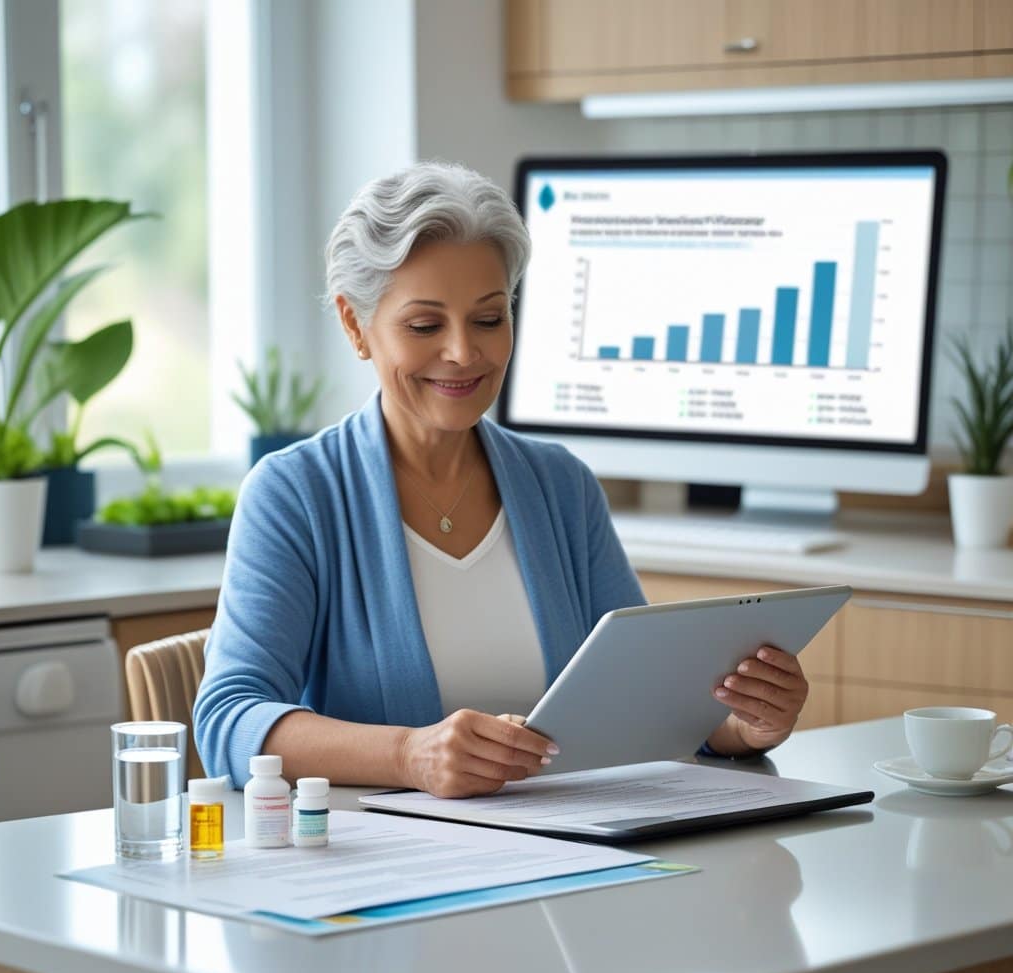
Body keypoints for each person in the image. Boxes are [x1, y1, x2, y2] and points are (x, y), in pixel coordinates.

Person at [194, 162, 810, 799]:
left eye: (489, 319)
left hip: (569, 860)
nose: (464, 352)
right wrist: (410, 754)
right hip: (389, 871)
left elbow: (644, 702)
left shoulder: (561, 485)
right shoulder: (295, 495)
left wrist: (741, 722)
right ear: (356, 325)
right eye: (425, 325)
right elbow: (228, 721)